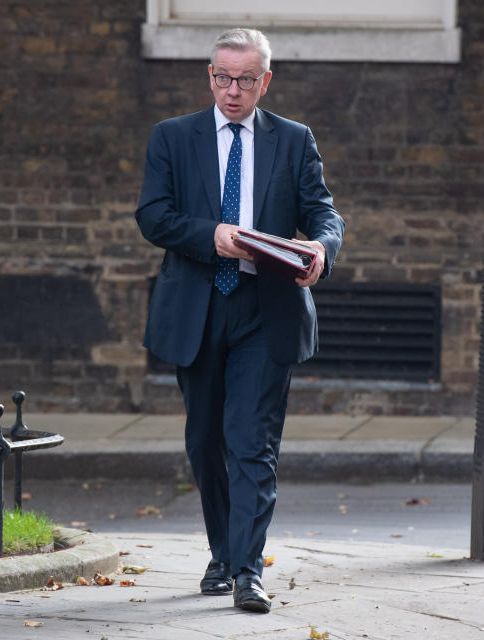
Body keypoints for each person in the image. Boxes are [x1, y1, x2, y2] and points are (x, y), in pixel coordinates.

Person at [135, 27, 344, 614]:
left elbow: (323, 211)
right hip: (196, 308)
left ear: (265, 81)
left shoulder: (294, 140)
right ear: (210, 77)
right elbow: (153, 217)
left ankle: (248, 570)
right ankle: (222, 553)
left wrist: (323, 248)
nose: (232, 91)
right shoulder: (173, 138)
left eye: (245, 81)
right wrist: (213, 236)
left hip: (265, 311)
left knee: (251, 443)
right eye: (222, 78)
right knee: (205, 442)